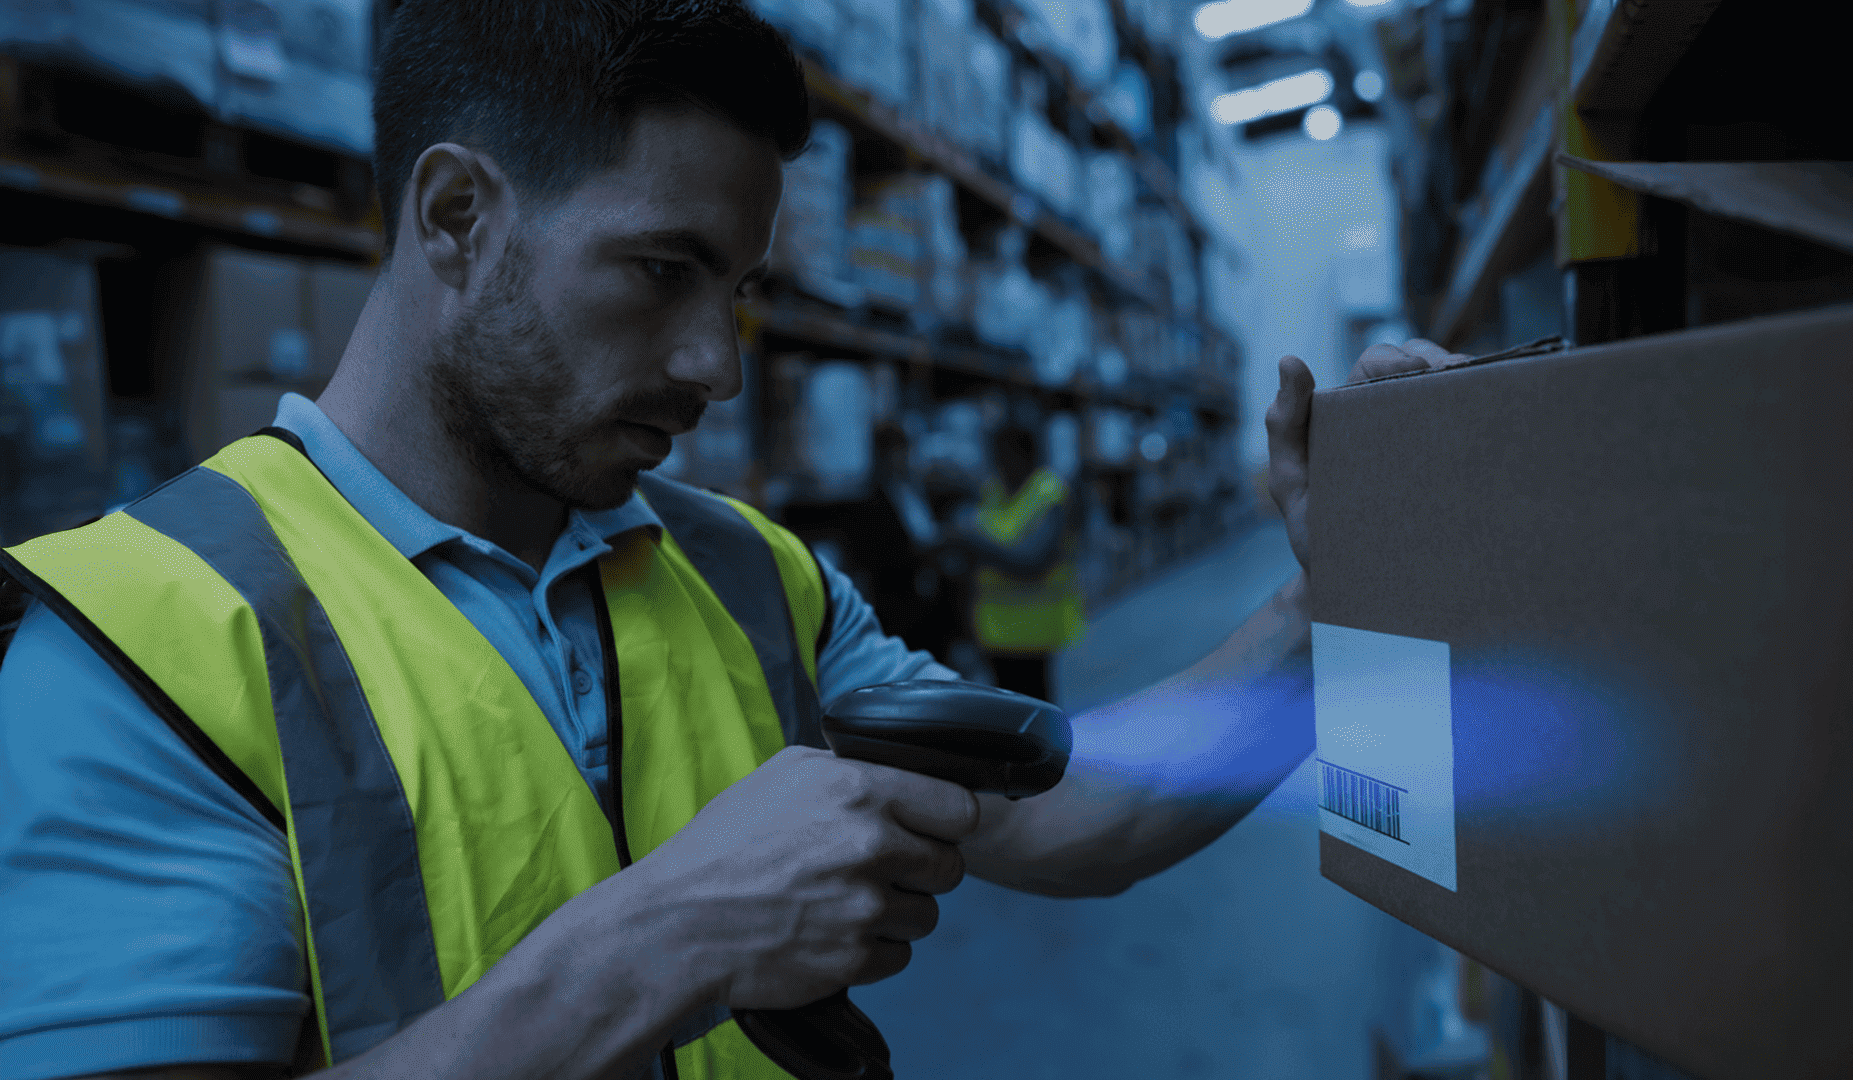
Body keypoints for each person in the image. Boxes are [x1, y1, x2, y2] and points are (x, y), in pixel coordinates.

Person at [0, 1, 1468, 1077]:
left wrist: (1320, 606)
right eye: (661, 270)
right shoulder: (147, 650)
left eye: (742, 289)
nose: (716, 362)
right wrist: (671, 938)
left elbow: (1072, 815)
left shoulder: (747, 573)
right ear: (456, 219)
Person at [954, 423, 1081, 703]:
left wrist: (973, 538)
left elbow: (1032, 562)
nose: (997, 462)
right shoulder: (992, 494)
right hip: (994, 632)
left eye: (1003, 454)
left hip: (1036, 631)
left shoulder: (1049, 493)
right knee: (1007, 718)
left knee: (1038, 713)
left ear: (1026, 454)